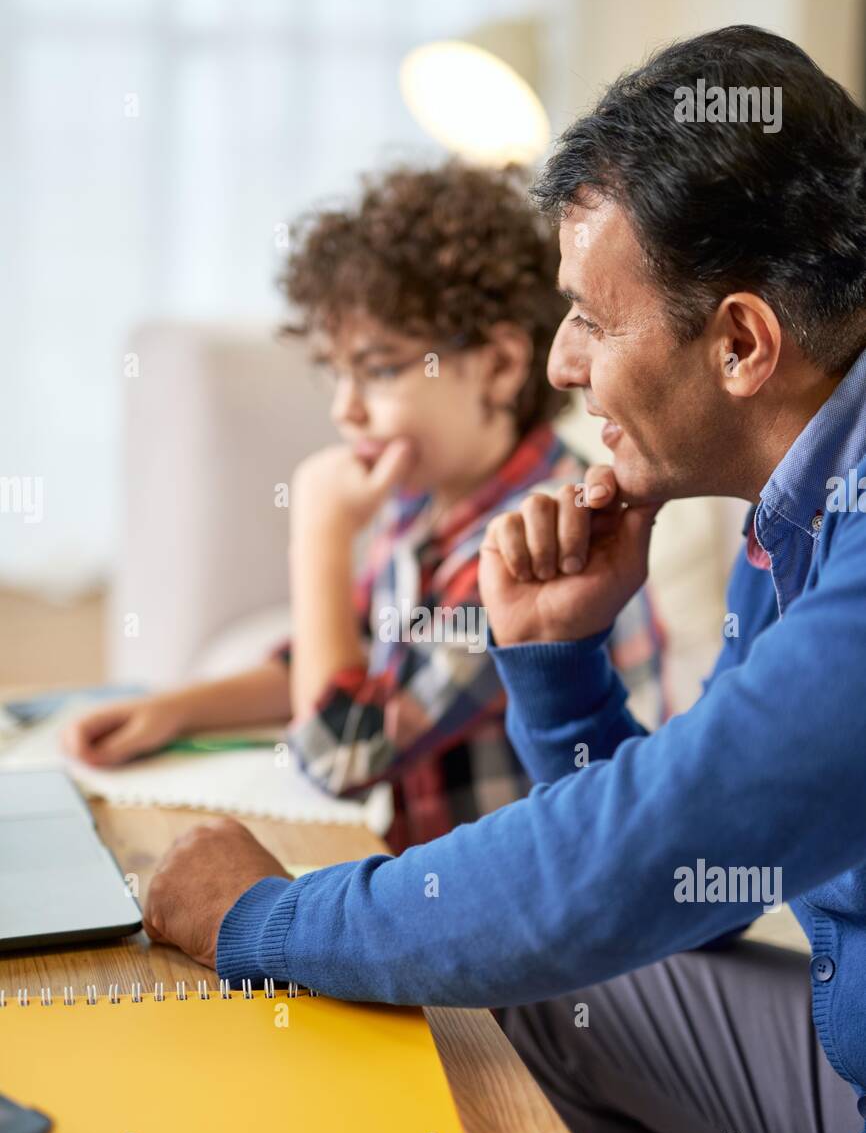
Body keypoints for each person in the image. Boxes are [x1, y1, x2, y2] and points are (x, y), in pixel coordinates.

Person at [141, 26, 866, 1133]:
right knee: (551, 984)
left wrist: (261, 922)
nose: (559, 362)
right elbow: (680, 897)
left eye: (588, 317)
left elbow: (615, 870)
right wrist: (558, 660)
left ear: (741, 343)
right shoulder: (798, 516)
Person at [63, 161, 662, 853]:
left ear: (499, 366)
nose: (345, 410)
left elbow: (342, 753)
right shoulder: (421, 498)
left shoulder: (535, 534)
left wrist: (318, 536)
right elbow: (340, 656)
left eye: (378, 370)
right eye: (336, 373)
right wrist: (169, 711)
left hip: (525, 910)